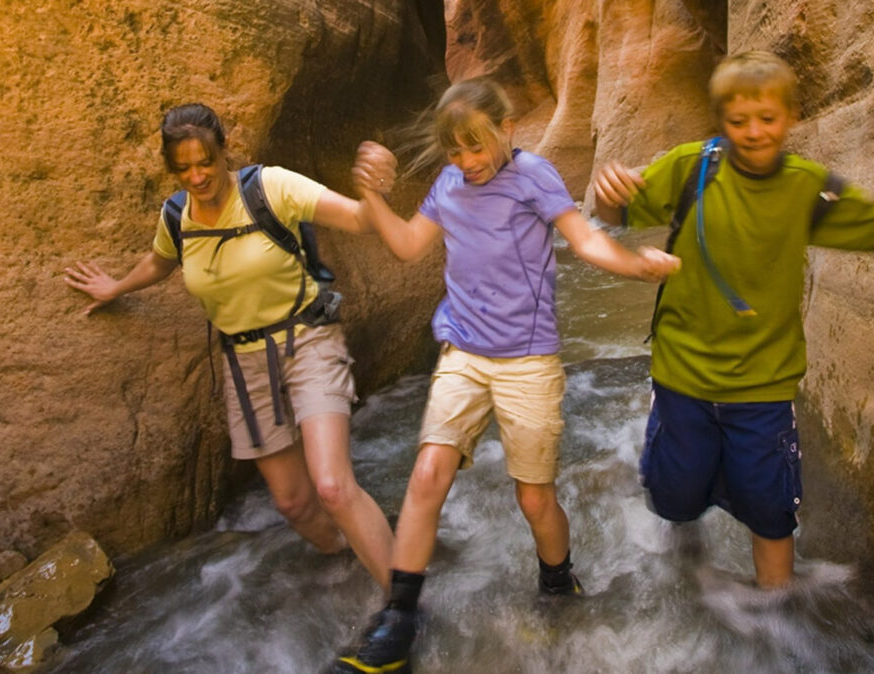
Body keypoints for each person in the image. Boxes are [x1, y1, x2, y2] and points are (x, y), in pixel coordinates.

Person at [591, 50, 874, 589]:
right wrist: (607, 191)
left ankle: (776, 622)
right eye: (737, 121)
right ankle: (688, 591)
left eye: (767, 118)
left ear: (791, 115)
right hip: (681, 377)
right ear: (721, 122)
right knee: (675, 500)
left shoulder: (808, 187)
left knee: (771, 513)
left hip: (763, 387)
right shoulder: (692, 167)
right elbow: (614, 216)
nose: (753, 132)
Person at [332, 77, 682, 673]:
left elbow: (584, 242)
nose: (467, 162)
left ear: (507, 129)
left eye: (476, 145)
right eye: (455, 150)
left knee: (533, 497)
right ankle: (399, 615)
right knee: (427, 474)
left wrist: (634, 263)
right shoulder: (448, 184)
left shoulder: (534, 175)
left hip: (527, 360)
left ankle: (557, 583)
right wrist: (372, 198)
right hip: (463, 352)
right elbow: (410, 247)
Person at [64, 103, 395, 590]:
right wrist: (115, 287)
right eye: (184, 168)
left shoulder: (270, 188)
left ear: (224, 152)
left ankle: (403, 603)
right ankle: (352, 559)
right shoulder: (176, 216)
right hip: (244, 363)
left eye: (206, 162)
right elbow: (160, 263)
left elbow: (362, 220)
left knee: (331, 486)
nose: (197, 176)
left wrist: (374, 192)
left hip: (308, 340)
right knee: (293, 504)